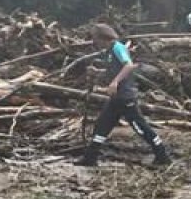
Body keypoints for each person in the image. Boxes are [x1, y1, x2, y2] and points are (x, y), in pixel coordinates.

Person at [74, 24, 172, 167]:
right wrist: (97, 72)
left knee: (141, 128)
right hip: (116, 98)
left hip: (125, 97)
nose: (95, 42)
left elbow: (129, 66)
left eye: (95, 39)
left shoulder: (118, 47)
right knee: (102, 126)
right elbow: (115, 70)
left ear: (103, 38)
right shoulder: (108, 52)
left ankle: (162, 156)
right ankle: (90, 157)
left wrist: (114, 82)